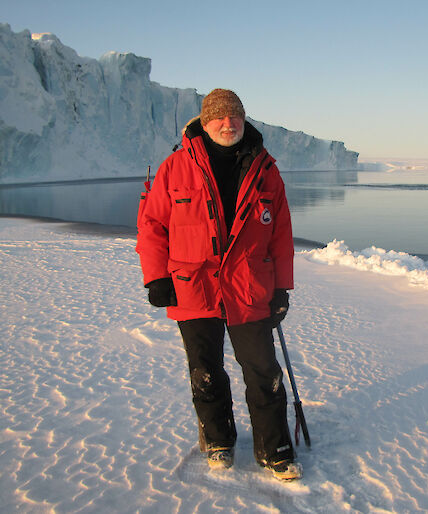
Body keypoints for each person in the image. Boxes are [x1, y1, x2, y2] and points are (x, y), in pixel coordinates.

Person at [136, 89, 302, 480]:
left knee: (263, 371)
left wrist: (282, 288)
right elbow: (153, 225)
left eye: (235, 117)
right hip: (194, 288)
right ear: (204, 121)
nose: (228, 124)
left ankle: (274, 447)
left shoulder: (265, 169)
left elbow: (280, 234)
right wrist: (157, 277)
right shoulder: (175, 167)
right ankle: (218, 440)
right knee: (205, 370)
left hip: (249, 288)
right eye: (219, 118)